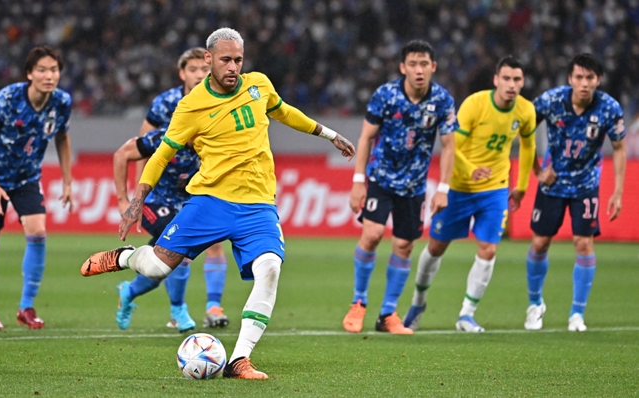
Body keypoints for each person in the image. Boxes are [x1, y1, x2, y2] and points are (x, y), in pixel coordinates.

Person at [80, 28, 355, 379]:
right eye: (225, 60)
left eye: (238, 60)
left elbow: (285, 112)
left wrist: (329, 134)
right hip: (210, 201)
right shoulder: (191, 105)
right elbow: (161, 155)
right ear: (208, 59)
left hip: (257, 205)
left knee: (270, 268)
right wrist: (137, 201)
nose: (233, 67)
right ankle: (123, 258)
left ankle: (239, 360)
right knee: (156, 268)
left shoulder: (259, 85)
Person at [403, 56, 536, 332]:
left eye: (517, 80)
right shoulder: (475, 105)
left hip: (495, 188)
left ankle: (466, 314)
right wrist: (471, 169)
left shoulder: (525, 111)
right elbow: (453, 148)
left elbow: (527, 146)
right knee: (436, 246)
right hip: (460, 186)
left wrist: (522, 185)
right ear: (496, 80)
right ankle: (418, 302)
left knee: (488, 248)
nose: (512, 85)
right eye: (507, 79)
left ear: (522, 82)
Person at [342, 40, 457, 335]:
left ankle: (388, 314)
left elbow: (447, 146)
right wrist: (358, 182)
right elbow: (366, 138)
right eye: (413, 64)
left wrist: (443, 187)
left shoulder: (442, 101)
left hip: (415, 186)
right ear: (403, 67)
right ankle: (358, 303)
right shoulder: (386, 95)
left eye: (424, 64)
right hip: (380, 179)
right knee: (372, 234)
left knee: (404, 245)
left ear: (433, 67)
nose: (419, 70)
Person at [112, 48, 229, 332]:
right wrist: (132, 200)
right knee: (181, 252)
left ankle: (130, 292)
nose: (199, 74)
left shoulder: (222, 104)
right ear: (182, 73)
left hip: (195, 196)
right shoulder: (166, 116)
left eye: (203, 69)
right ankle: (178, 310)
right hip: (160, 197)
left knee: (162, 264)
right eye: (193, 69)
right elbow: (133, 152)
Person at [0, 46, 73, 330]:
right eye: (42, 70)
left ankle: (26, 306)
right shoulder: (7, 99)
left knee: (38, 231)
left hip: (27, 177)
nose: (49, 75)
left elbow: (62, 138)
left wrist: (66, 180)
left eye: (54, 70)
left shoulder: (62, 102)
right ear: (29, 74)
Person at [524, 53, 625, 332]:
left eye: (590, 78)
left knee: (583, 243)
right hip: (552, 183)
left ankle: (577, 314)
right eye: (578, 77)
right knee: (540, 243)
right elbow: (524, 128)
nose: (584, 83)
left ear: (598, 80)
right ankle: (535, 304)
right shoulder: (551, 100)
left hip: (586, 185)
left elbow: (618, 148)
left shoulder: (609, 108)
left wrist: (618, 191)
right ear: (570, 79)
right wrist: (537, 170)